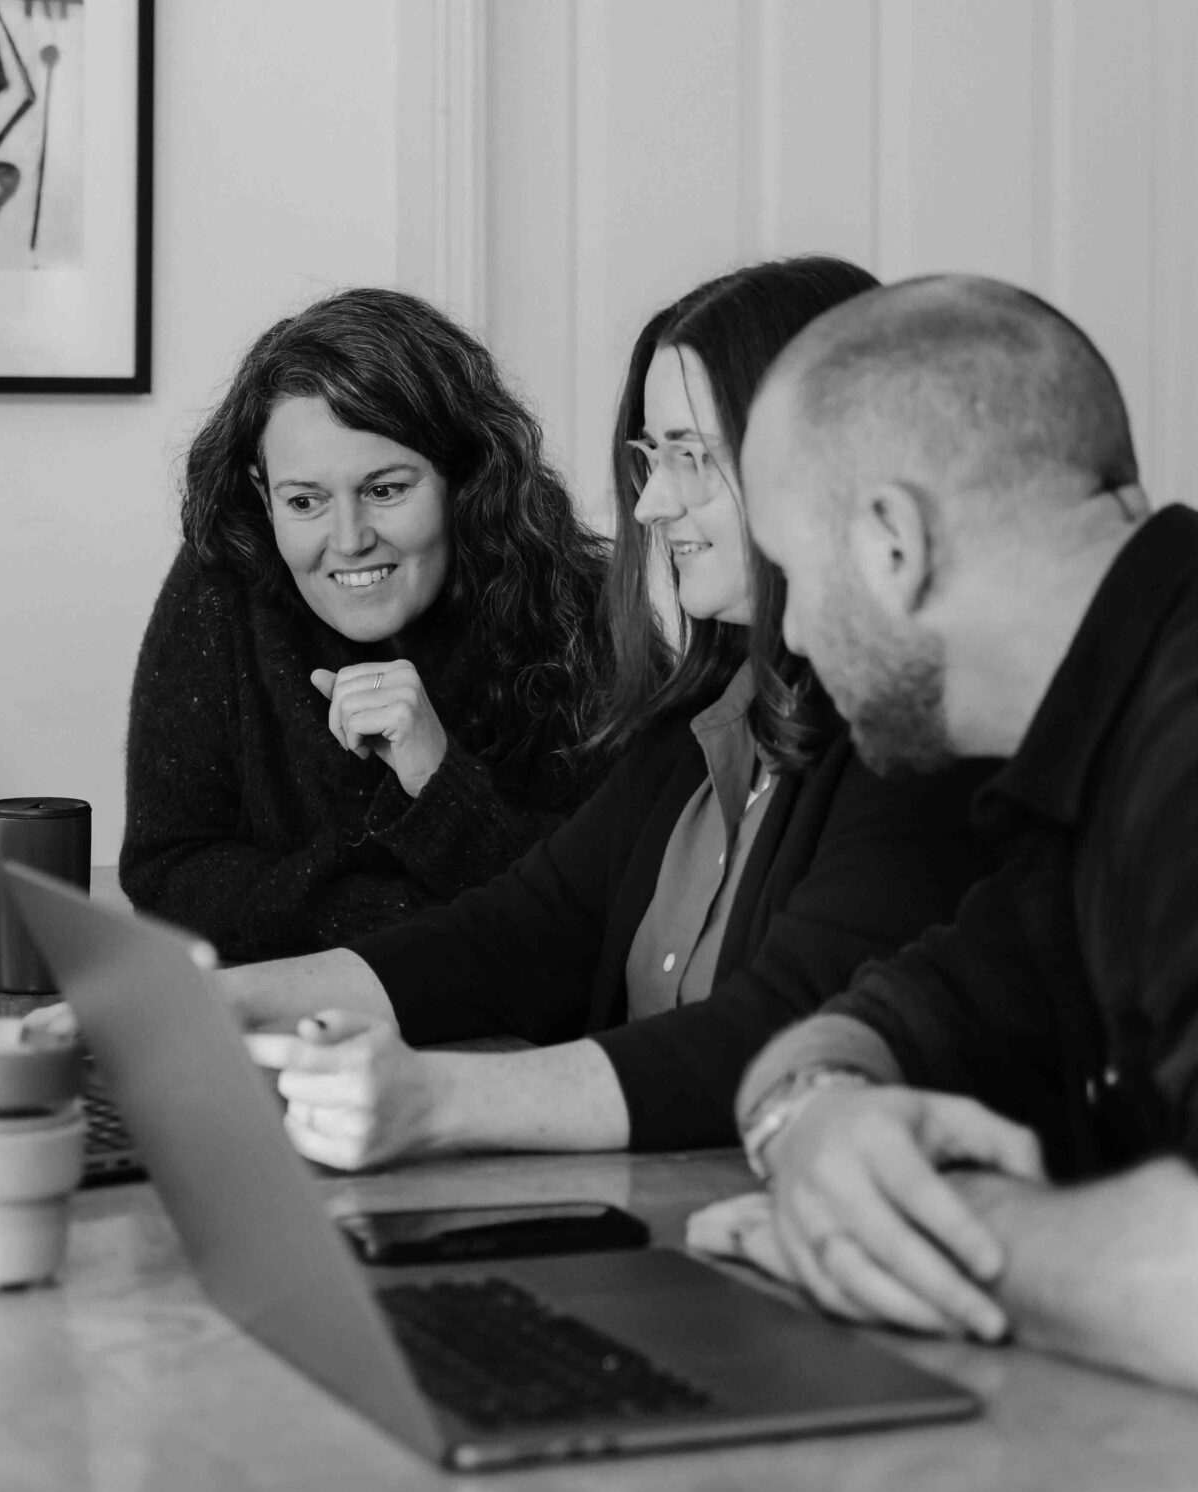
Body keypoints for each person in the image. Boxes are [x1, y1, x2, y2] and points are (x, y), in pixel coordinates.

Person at [220, 258, 993, 1172]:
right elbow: (511, 937)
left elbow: (779, 1035)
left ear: (827, 461)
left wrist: (435, 1102)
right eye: (649, 458)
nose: (655, 503)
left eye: (693, 457)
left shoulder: (926, 750)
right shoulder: (700, 722)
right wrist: (208, 1006)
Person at [720, 274, 1198, 1392]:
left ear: (891, 541)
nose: (785, 630)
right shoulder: (1081, 756)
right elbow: (883, 1018)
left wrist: (915, 1228)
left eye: (788, 573)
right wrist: (817, 1123)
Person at [118, 287, 614, 963]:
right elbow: (167, 870)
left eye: (385, 490)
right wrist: (428, 926)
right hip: (287, 1028)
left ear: (464, 479)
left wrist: (437, 778)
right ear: (264, 494)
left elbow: (602, 912)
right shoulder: (223, 579)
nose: (348, 540)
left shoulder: (578, 606)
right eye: (305, 500)